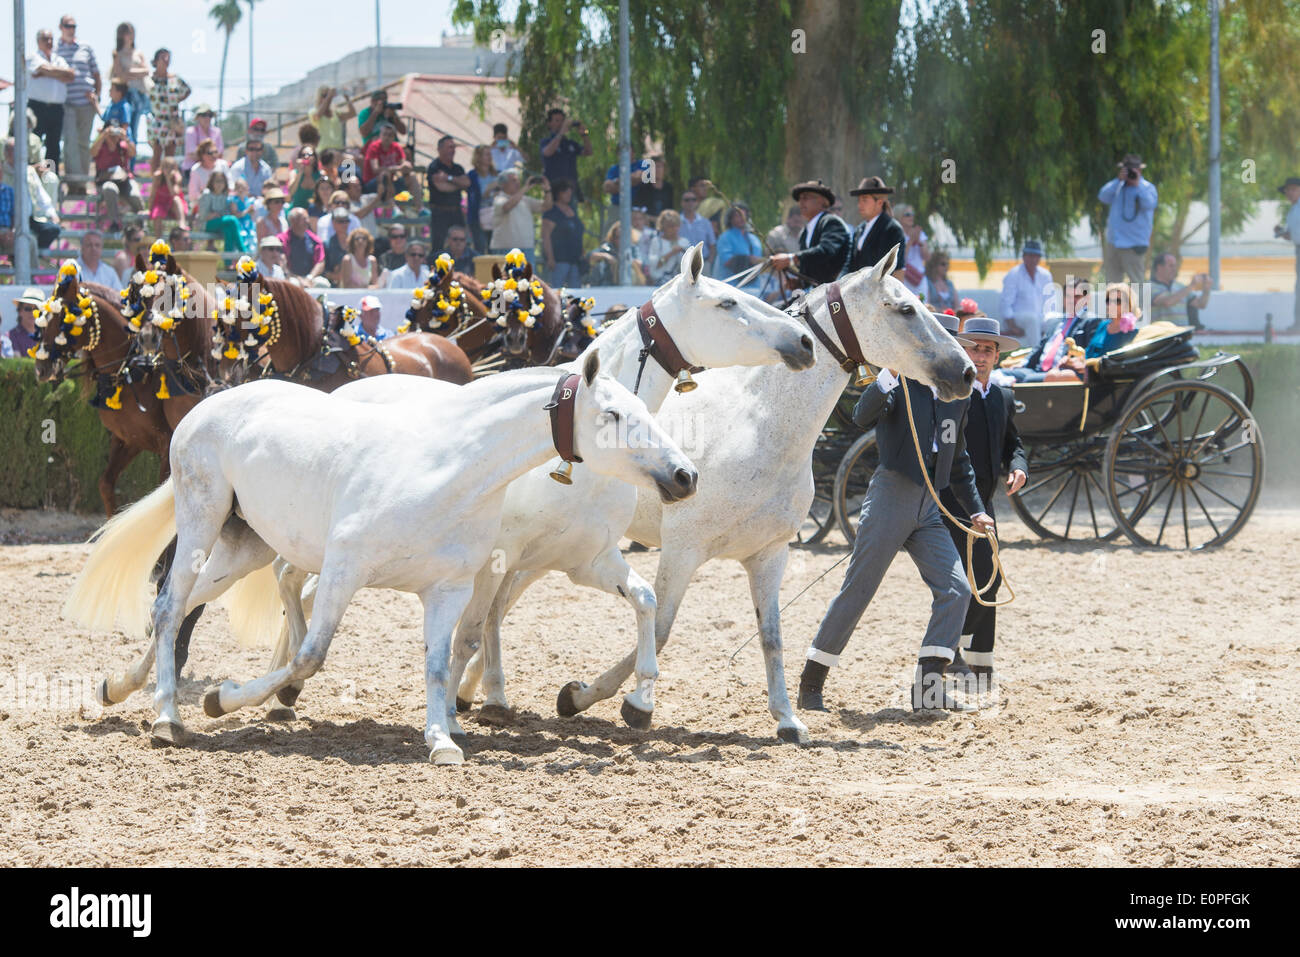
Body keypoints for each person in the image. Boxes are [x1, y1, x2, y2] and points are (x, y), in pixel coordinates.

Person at [797, 325, 996, 714]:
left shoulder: (958, 396)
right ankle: (811, 684)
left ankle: (928, 689)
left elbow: (959, 460)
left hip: (930, 506)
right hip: (891, 495)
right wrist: (889, 373)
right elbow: (861, 414)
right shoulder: (902, 382)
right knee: (859, 590)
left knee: (957, 590)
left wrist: (975, 508)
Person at [939, 315, 1027, 690]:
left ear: (997, 357)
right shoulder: (952, 394)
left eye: (988, 349)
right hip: (952, 505)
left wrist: (1019, 467)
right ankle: (949, 658)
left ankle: (982, 665)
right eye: (974, 347)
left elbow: (1015, 445)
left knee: (986, 583)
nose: (981, 355)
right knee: (959, 583)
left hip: (985, 507)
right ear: (962, 350)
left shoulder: (1003, 397)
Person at [1007, 276, 1098, 383]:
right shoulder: (1056, 322)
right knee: (997, 374)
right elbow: (1040, 347)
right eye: (1068, 296)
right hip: (1036, 370)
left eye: (1077, 296)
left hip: (1062, 373)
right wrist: (1023, 362)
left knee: (1026, 380)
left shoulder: (1092, 321)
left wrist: (1074, 360)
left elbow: (1092, 351)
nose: (1072, 300)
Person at [770, 179, 850, 288]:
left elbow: (826, 251)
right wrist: (799, 283)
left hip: (836, 292)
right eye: (800, 199)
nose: (801, 202)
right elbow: (810, 267)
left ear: (823, 202)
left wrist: (791, 258)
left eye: (806, 197)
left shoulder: (831, 222)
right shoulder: (805, 232)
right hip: (817, 294)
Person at [1099, 152, 1158, 285]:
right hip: (1114, 243)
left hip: (1134, 244)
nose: (1131, 172)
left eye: (1133, 169)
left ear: (1140, 170)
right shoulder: (1117, 186)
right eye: (1128, 169)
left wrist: (1137, 185)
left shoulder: (1147, 188)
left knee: (1137, 283)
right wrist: (1117, 180)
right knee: (1112, 283)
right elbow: (1102, 196)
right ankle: (1113, 306)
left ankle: (1140, 307)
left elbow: (1150, 204)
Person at [56, 15, 100, 192]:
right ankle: (74, 183)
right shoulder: (55, 48)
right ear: (61, 27)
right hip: (66, 103)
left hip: (86, 104)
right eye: (68, 25)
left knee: (83, 143)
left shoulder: (85, 47)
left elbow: (96, 74)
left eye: (74, 26)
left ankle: (82, 182)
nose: (71, 29)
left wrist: (97, 95)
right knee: (70, 142)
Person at [1, 139, 61, 248]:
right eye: (11, 150)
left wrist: (52, 214)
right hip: (8, 220)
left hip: (29, 218)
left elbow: (40, 194)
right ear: (5, 153)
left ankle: (34, 255)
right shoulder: (2, 171)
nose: (15, 153)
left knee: (53, 229)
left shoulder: (29, 171)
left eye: (17, 150)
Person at [845, 176, 906, 279]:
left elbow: (894, 270)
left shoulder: (892, 229)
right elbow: (850, 265)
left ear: (879, 203)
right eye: (859, 200)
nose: (860, 205)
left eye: (864, 200)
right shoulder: (859, 230)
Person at [27, 29, 72, 170]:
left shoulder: (59, 59)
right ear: (38, 41)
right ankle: (32, 174)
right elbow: (45, 69)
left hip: (56, 109)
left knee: (54, 145)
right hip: (37, 107)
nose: (49, 42)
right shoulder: (32, 57)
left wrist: (45, 73)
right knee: (34, 141)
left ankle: (51, 177)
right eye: (46, 39)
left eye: (51, 39)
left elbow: (70, 75)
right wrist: (56, 73)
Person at [998, 239, 1052, 344]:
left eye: (1036, 256)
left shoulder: (1045, 275)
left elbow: (1049, 303)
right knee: (1032, 320)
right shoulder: (1014, 274)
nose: (1033, 259)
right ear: (1024, 256)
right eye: (1030, 255)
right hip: (1017, 317)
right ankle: (1035, 355)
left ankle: (1054, 355)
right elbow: (1005, 303)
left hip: (1040, 318)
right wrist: (1012, 326)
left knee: (1056, 321)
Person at [146, 48, 190, 173]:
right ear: (156, 61)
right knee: (157, 152)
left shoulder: (174, 79)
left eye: (168, 58)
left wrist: (176, 101)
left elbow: (187, 91)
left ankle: (169, 180)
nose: (166, 61)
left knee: (170, 155)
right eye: (162, 58)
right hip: (157, 120)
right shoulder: (150, 79)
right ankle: (156, 182)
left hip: (172, 120)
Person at [91, 121, 141, 231]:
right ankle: (114, 223)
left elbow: (133, 153)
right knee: (110, 189)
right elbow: (93, 152)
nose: (113, 136)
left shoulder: (123, 144)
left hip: (124, 180)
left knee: (135, 195)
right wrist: (103, 135)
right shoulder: (100, 145)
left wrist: (126, 138)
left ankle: (141, 226)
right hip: (105, 180)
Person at [490, 169, 550, 259]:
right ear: (503, 184)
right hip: (506, 249)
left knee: (529, 274)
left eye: (518, 180)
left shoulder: (525, 200)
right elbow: (507, 206)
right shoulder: (499, 199)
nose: (518, 183)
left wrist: (547, 190)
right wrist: (525, 188)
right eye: (513, 180)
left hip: (527, 249)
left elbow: (546, 206)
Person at [426, 135, 470, 252]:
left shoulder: (458, 168)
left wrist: (448, 178)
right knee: (438, 246)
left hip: (456, 212)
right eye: (449, 147)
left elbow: (466, 183)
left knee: (460, 242)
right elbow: (442, 187)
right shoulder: (434, 167)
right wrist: (457, 184)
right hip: (440, 213)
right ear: (440, 149)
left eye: (453, 147)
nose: (453, 150)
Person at [539, 108, 592, 202]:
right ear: (549, 123)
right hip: (554, 190)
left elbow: (588, 152)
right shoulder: (546, 141)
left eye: (562, 121)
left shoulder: (569, 143)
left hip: (571, 189)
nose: (560, 124)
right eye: (557, 120)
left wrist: (585, 134)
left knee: (572, 215)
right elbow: (547, 152)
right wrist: (561, 132)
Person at [110, 22, 150, 144]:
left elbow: (146, 71)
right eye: (126, 32)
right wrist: (132, 74)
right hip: (124, 95)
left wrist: (130, 71)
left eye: (131, 32)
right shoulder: (117, 53)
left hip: (138, 95)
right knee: (123, 129)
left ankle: (131, 162)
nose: (129, 35)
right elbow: (119, 74)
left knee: (134, 129)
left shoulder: (138, 53)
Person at [541, 179, 585, 287]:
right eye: (565, 192)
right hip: (559, 260)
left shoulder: (572, 210)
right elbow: (545, 236)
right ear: (558, 193)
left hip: (575, 260)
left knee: (576, 292)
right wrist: (550, 258)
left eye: (570, 192)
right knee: (557, 289)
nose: (569, 194)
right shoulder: (552, 212)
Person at [1150, 252, 1210, 328]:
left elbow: (1201, 304)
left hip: (1182, 335)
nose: (1174, 269)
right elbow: (1167, 302)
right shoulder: (1149, 287)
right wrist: (1192, 285)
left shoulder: (1181, 287)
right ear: (1159, 267)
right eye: (1171, 266)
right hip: (1162, 336)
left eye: (1175, 266)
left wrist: (1206, 289)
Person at [714, 204, 765, 295]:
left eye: (744, 216)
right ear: (731, 219)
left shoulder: (754, 239)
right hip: (731, 288)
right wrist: (749, 259)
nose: (742, 218)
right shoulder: (725, 237)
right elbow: (727, 261)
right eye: (738, 216)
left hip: (755, 288)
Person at [197, 170, 247, 253]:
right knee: (232, 220)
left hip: (221, 224)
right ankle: (243, 252)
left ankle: (228, 262)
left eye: (222, 181)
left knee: (228, 229)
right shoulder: (206, 194)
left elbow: (224, 214)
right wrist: (215, 215)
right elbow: (203, 216)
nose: (220, 184)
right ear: (212, 182)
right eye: (217, 181)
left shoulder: (225, 195)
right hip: (206, 225)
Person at [1086, 284, 1141, 358]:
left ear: (1128, 304)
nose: (1111, 304)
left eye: (1117, 301)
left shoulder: (1133, 331)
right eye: (1108, 300)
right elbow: (1088, 352)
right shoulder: (1103, 325)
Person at [1274, 177, 1300, 330]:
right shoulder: (1292, 211)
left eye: (1293, 189)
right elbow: (1293, 235)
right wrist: (1281, 233)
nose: (1289, 193)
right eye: (1287, 190)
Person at [279, 207, 327, 285]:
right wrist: (298, 279)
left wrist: (309, 278)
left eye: (307, 218)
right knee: (294, 284)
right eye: (303, 219)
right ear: (293, 221)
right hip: (291, 277)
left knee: (322, 283)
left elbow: (320, 262)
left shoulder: (315, 240)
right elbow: (282, 265)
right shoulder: (282, 240)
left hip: (310, 277)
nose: (307, 221)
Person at [467, 144, 499, 253]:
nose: (489, 157)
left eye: (490, 154)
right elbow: (477, 196)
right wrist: (489, 189)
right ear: (479, 157)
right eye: (486, 154)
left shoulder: (496, 174)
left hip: (495, 216)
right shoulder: (472, 175)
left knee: (494, 249)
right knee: (480, 248)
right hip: (478, 217)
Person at [645, 209, 690, 285]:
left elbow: (688, 267)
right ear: (663, 227)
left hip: (680, 284)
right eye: (670, 226)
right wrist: (672, 253)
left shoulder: (684, 242)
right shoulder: (656, 241)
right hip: (660, 283)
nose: (674, 229)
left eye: (676, 225)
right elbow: (656, 265)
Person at [895, 204, 930, 296]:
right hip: (904, 278)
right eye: (907, 214)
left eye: (912, 214)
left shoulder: (919, 233)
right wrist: (910, 241)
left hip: (919, 278)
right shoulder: (896, 235)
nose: (911, 217)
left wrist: (919, 241)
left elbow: (927, 257)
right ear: (899, 217)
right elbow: (900, 258)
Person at [310, 85, 356, 153]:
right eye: (325, 95)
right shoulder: (313, 111)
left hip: (339, 150)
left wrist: (347, 98)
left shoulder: (335, 112)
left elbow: (352, 114)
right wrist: (329, 97)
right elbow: (317, 116)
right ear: (319, 97)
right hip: (324, 151)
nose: (328, 97)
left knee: (356, 160)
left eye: (330, 95)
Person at [182, 104, 223, 178]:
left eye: (209, 115)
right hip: (192, 169)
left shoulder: (217, 131)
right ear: (198, 117)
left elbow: (220, 153)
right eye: (204, 115)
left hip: (213, 170)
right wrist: (210, 158)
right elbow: (192, 155)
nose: (207, 118)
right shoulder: (191, 131)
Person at [187, 138, 229, 207]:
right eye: (210, 153)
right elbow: (193, 195)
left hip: (222, 201)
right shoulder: (196, 170)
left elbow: (230, 184)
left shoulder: (223, 165)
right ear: (202, 155)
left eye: (216, 152)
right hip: (204, 204)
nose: (214, 155)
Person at [150, 157, 188, 228]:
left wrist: (168, 179)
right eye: (166, 167)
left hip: (173, 205)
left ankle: (182, 225)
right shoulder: (158, 177)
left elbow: (173, 194)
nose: (168, 169)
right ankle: (159, 238)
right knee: (157, 215)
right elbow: (153, 194)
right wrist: (149, 209)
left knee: (176, 199)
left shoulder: (177, 177)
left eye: (171, 167)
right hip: (161, 203)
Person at [678, 190, 715, 264]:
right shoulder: (676, 222)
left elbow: (712, 245)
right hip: (681, 265)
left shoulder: (705, 222)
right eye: (687, 200)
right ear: (682, 203)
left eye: (693, 200)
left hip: (703, 263)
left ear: (697, 203)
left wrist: (709, 262)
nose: (690, 202)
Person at [9, 287, 45, 358]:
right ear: (20, 311)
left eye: (36, 309)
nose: (32, 313)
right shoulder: (10, 336)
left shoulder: (48, 335)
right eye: (28, 308)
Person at [287, 145, 323, 211]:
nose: (306, 157)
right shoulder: (294, 173)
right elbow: (291, 192)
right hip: (297, 211)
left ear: (315, 158)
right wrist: (300, 172)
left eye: (309, 154)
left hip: (314, 212)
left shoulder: (321, 175)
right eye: (303, 155)